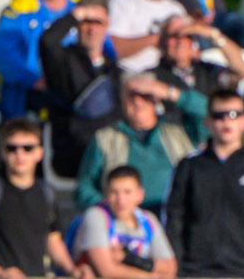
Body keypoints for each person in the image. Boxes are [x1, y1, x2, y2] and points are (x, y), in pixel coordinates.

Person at [164, 88, 244, 279]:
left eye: (234, 115)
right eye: (219, 116)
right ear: (208, 122)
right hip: (193, 275)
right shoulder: (188, 166)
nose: (227, 121)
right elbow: (173, 219)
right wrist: (177, 269)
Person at [0, 117, 91, 279]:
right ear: (3, 152)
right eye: (12, 148)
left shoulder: (47, 194)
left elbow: (53, 241)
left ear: (40, 153)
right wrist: (0, 273)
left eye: (28, 148)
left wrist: (73, 270)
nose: (19, 154)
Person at [74, 73, 198, 211]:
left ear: (156, 98)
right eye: (131, 95)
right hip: (124, 218)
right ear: (122, 100)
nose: (138, 101)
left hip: (176, 214)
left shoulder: (180, 132)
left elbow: (208, 114)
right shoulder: (104, 139)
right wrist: (110, 208)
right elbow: (84, 188)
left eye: (145, 95)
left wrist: (169, 92)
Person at [0, 0, 80, 118]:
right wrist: (32, 79)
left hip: (74, 89)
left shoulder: (83, 6)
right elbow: (2, 52)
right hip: (29, 90)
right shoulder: (20, 8)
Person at [37, 0, 120, 178]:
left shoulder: (114, 69)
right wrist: (77, 14)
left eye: (98, 22)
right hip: (73, 150)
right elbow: (48, 41)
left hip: (109, 155)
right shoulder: (62, 60)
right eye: (86, 22)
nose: (92, 29)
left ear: (107, 25)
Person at [70, 165, 177, 279]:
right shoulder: (96, 216)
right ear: (106, 194)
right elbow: (107, 271)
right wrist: (152, 277)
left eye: (127, 192)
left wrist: (130, 259)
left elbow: (170, 268)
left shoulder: (148, 220)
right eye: (114, 192)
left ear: (140, 195)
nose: (120, 200)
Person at [152, 14, 244, 141]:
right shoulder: (153, 76)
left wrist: (214, 35)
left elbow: (242, 70)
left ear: (193, 42)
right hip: (177, 140)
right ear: (163, 42)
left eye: (187, 36)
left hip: (213, 139)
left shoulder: (209, 70)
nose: (180, 41)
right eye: (174, 36)